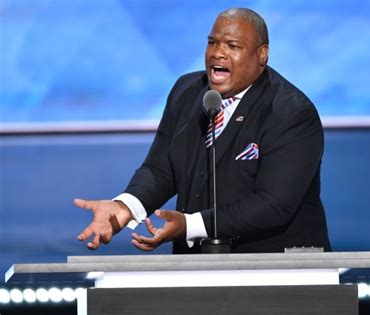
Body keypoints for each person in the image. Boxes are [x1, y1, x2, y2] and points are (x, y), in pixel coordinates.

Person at [75, 8, 331, 254]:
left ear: (262, 55)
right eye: (212, 43)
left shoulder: (291, 112)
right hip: (198, 270)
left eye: (232, 46)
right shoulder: (187, 92)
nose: (218, 53)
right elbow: (161, 169)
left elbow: (273, 204)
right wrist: (125, 207)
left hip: (280, 272)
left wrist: (191, 226)